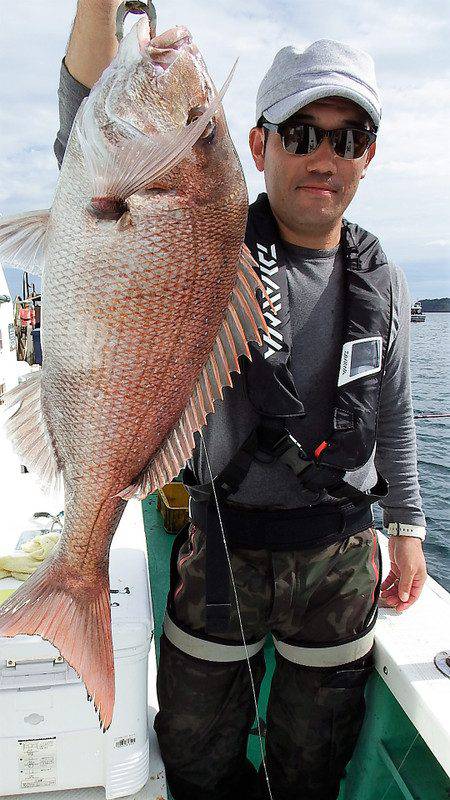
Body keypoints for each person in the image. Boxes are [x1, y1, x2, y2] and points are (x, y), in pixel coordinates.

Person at [54, 4, 427, 799]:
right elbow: (85, 138)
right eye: (301, 133)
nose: (324, 155)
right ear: (257, 146)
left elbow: (392, 410)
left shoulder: (382, 277)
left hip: (340, 560)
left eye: (347, 137)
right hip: (222, 542)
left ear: (368, 157)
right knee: (195, 753)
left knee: (314, 758)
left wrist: (409, 532)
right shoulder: (201, 240)